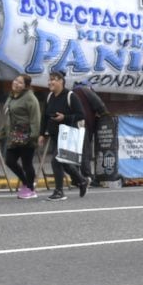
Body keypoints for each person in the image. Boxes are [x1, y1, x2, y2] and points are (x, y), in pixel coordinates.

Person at [40, 70, 87, 200]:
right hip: (55, 135)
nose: (50, 82)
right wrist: (41, 134)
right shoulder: (49, 97)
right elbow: (44, 117)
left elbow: (81, 115)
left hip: (67, 135)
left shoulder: (71, 96)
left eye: (53, 79)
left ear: (61, 81)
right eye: (49, 79)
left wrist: (64, 117)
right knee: (64, 163)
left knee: (56, 160)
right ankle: (82, 181)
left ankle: (59, 191)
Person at [1, 74, 44, 199]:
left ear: (26, 86)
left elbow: (35, 117)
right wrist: (3, 131)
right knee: (9, 161)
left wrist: (34, 135)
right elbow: (7, 116)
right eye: (15, 80)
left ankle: (30, 189)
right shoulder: (12, 96)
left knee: (27, 163)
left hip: (27, 135)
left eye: (20, 82)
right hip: (13, 136)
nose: (16, 83)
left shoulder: (30, 98)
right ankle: (26, 182)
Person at [71, 79, 110, 186]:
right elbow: (100, 106)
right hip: (83, 125)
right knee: (84, 152)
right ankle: (87, 177)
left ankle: (75, 178)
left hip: (71, 125)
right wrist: (105, 117)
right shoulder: (86, 91)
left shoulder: (71, 93)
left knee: (74, 152)